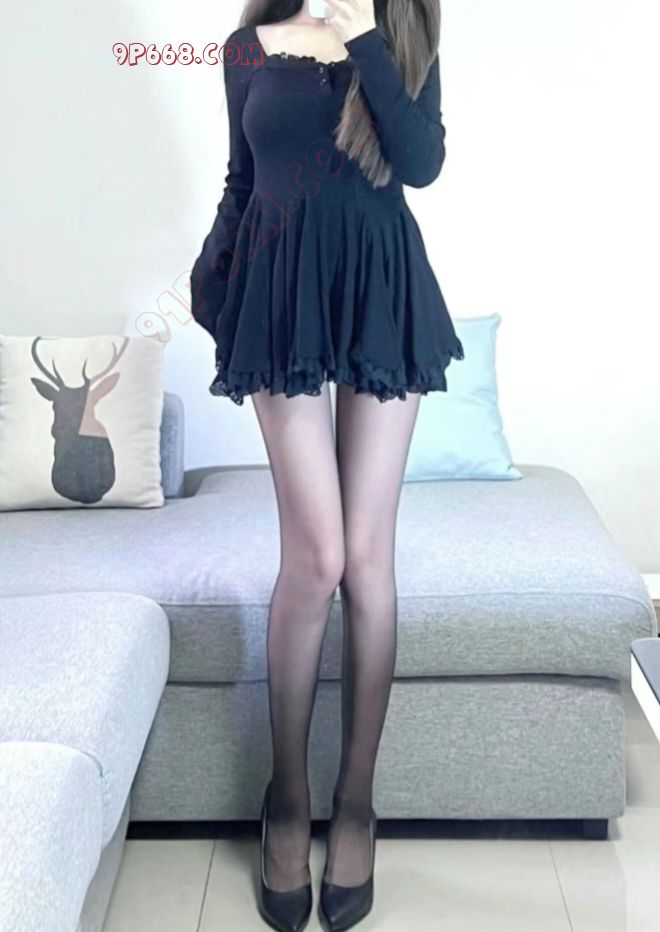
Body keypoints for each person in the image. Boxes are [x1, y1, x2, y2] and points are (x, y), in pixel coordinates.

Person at [190, 1, 464, 929]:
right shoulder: (249, 46)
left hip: (380, 285)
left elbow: (421, 163)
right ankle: (288, 801)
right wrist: (214, 277)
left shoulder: (404, 35)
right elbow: (242, 180)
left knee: (369, 563)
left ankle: (354, 806)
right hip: (281, 290)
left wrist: (363, 38)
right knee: (316, 560)